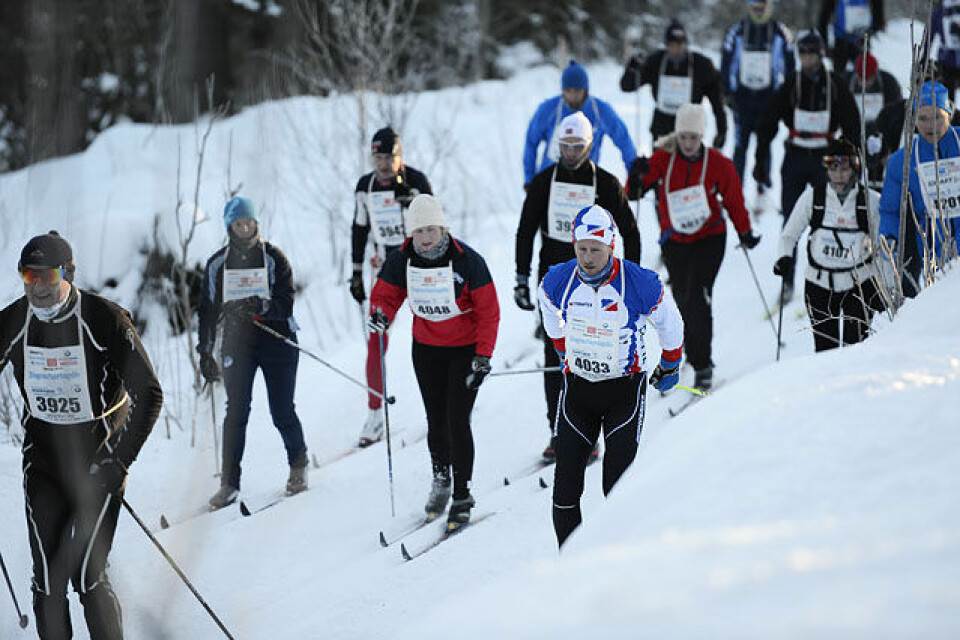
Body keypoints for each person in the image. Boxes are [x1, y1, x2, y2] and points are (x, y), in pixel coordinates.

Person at [0, 231, 163, 639]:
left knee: (89, 576)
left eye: (48, 276)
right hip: (44, 463)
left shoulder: (104, 318)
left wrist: (118, 459)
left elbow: (149, 394)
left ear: (68, 273)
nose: (38, 287)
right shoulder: (13, 321)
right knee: (48, 581)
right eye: (29, 276)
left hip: (98, 462)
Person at [538, 205, 684, 547]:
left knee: (616, 487)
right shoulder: (559, 280)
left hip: (624, 392)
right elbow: (547, 308)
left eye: (596, 249)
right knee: (565, 489)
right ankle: (570, 565)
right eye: (582, 249)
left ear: (611, 246)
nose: (588, 258)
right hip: (578, 392)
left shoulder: (638, 282)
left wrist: (670, 364)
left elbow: (670, 322)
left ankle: (619, 562)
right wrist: (562, 349)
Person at [515, 111, 642, 460]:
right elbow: (525, 230)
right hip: (554, 282)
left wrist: (631, 278)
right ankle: (558, 431)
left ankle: (589, 434)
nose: (571, 153)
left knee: (590, 354)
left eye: (577, 146)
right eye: (565, 146)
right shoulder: (544, 182)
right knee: (555, 355)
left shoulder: (605, 184)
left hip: (597, 284)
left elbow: (630, 231)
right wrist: (521, 277)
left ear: (589, 145)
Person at [367, 194, 499, 527]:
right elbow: (385, 295)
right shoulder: (402, 259)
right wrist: (380, 315)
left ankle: (462, 494)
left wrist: (483, 356)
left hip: (465, 350)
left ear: (443, 228)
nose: (425, 238)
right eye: (419, 231)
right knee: (436, 421)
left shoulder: (468, 261)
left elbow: (488, 312)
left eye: (431, 229)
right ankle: (441, 478)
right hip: (426, 349)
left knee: (457, 420)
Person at [627, 104, 760, 391]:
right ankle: (689, 351)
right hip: (675, 241)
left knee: (699, 296)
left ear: (702, 136)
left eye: (694, 138)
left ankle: (703, 365)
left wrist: (745, 231)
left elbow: (734, 198)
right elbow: (633, 192)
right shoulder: (663, 159)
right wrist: (636, 173)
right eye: (684, 137)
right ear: (677, 135)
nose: (688, 144)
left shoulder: (719, 164)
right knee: (682, 298)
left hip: (710, 237)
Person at [197, 196, 309, 509]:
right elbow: (207, 311)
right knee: (236, 412)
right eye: (238, 223)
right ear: (229, 227)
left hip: (277, 338)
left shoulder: (273, 257)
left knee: (282, 409)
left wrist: (260, 306)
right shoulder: (217, 264)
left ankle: (298, 466)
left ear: (256, 223)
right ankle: (229, 483)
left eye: (249, 222)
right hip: (237, 343)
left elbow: (286, 301)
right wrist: (205, 352)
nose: (244, 228)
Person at [755, 30, 861, 303]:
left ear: (820, 54)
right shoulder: (792, 83)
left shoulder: (835, 83)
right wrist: (760, 159)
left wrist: (854, 159)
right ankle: (787, 281)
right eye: (802, 53)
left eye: (811, 53)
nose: (807, 58)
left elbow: (852, 122)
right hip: (796, 156)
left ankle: (823, 278)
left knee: (824, 219)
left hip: (826, 160)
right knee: (791, 217)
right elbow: (768, 121)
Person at [348, 126, 433, 447]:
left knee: (434, 336)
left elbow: (435, 225)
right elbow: (358, 229)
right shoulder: (365, 186)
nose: (383, 165)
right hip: (387, 271)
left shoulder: (416, 180)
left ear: (400, 156)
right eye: (377, 158)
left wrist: (410, 201)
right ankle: (374, 412)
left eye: (388, 158)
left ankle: (445, 403)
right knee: (376, 340)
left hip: (421, 267)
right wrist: (356, 273)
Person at [775, 138, 884, 351]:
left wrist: (884, 286)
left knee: (856, 348)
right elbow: (789, 235)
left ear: (855, 169)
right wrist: (784, 257)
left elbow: (883, 247)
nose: (839, 175)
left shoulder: (870, 201)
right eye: (833, 168)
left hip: (859, 284)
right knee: (825, 351)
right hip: (819, 284)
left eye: (844, 169)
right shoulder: (813, 197)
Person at [879, 81, 960, 295]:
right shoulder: (902, 161)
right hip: (935, 247)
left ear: (949, 115)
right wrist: (888, 237)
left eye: (937, 117)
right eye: (922, 118)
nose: (930, 125)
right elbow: (890, 210)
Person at [720, 0, 795, 207]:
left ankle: (762, 189)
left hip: (768, 98)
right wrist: (728, 92)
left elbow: (789, 66)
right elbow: (726, 63)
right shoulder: (736, 31)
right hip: (742, 99)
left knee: (764, 143)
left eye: (762, 6)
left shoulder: (780, 32)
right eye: (754, 6)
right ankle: (735, 191)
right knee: (740, 146)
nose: (758, 11)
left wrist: (784, 96)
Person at [523, 60, 637, 188]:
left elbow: (623, 140)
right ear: (562, 90)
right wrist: (529, 179)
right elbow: (531, 142)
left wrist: (633, 172)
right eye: (568, 90)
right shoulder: (548, 110)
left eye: (577, 91)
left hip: (585, 182)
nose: (572, 96)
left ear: (586, 90)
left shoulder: (600, 111)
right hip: (550, 179)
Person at [620, 18, 728, 147]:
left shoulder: (701, 65)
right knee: (662, 159)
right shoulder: (656, 61)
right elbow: (627, 86)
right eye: (672, 45)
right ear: (666, 45)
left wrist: (722, 131)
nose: (676, 49)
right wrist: (632, 67)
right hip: (662, 127)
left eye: (680, 44)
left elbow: (717, 102)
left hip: (691, 129)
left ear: (686, 44)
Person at [846, 52, 903, 188]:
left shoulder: (888, 83)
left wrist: (890, 146)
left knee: (876, 173)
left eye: (868, 78)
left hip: (880, 134)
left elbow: (896, 115)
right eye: (861, 78)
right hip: (855, 132)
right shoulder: (848, 82)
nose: (865, 82)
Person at [818, 0, 885, 73]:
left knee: (847, 72)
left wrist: (825, 43)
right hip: (854, 39)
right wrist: (873, 29)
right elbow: (878, 14)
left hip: (846, 39)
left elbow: (823, 18)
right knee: (862, 72)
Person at [928, 0, 960, 99]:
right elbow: (929, 36)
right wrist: (924, 57)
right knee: (948, 97)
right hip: (946, 61)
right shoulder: (939, 12)